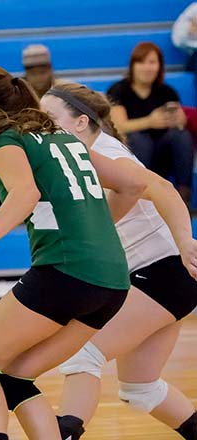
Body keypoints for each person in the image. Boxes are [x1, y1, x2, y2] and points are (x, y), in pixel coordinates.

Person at [0, 64, 151, 440]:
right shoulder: (65, 139)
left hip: (65, 272)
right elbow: (135, 184)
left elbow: (26, 193)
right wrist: (95, 227)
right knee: (15, 376)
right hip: (112, 282)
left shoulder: (6, 143)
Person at [40, 83, 197, 440]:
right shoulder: (77, 158)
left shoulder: (109, 154)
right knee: (141, 388)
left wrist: (186, 240)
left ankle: (62, 434)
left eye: (49, 118)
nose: (42, 126)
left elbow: (163, 189)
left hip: (166, 269)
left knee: (82, 353)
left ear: (80, 122)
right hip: (152, 276)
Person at [107, 41, 193, 205]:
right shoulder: (119, 90)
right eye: (141, 62)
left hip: (162, 153)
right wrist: (150, 121)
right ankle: (141, 194)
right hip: (132, 154)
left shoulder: (167, 92)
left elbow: (180, 125)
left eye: (152, 62)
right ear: (133, 65)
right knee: (139, 139)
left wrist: (179, 120)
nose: (147, 67)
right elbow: (119, 126)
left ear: (160, 67)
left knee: (182, 136)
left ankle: (184, 195)